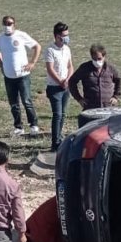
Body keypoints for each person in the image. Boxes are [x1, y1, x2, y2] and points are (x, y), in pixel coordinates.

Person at [0, 14, 42, 137]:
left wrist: (32, 62)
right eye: (5, 23)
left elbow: (37, 46)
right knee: (13, 103)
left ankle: (33, 125)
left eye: (9, 23)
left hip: (23, 75)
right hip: (9, 76)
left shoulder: (21, 35)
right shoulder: (0, 38)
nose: (7, 26)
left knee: (26, 101)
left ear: (14, 24)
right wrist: (2, 66)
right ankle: (18, 127)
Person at [44, 22, 73, 150]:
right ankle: (55, 143)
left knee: (64, 113)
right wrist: (60, 81)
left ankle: (60, 138)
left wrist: (68, 79)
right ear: (56, 36)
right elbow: (50, 69)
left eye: (67, 35)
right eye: (63, 35)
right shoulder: (50, 50)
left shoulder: (67, 49)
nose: (66, 38)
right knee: (58, 114)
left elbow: (70, 65)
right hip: (54, 87)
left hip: (66, 87)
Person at [69, 45, 121, 111]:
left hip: (108, 107)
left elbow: (119, 80)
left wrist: (116, 96)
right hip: (90, 107)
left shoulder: (111, 68)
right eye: (94, 59)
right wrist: (79, 99)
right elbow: (72, 81)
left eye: (99, 59)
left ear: (104, 57)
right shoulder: (85, 68)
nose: (97, 61)